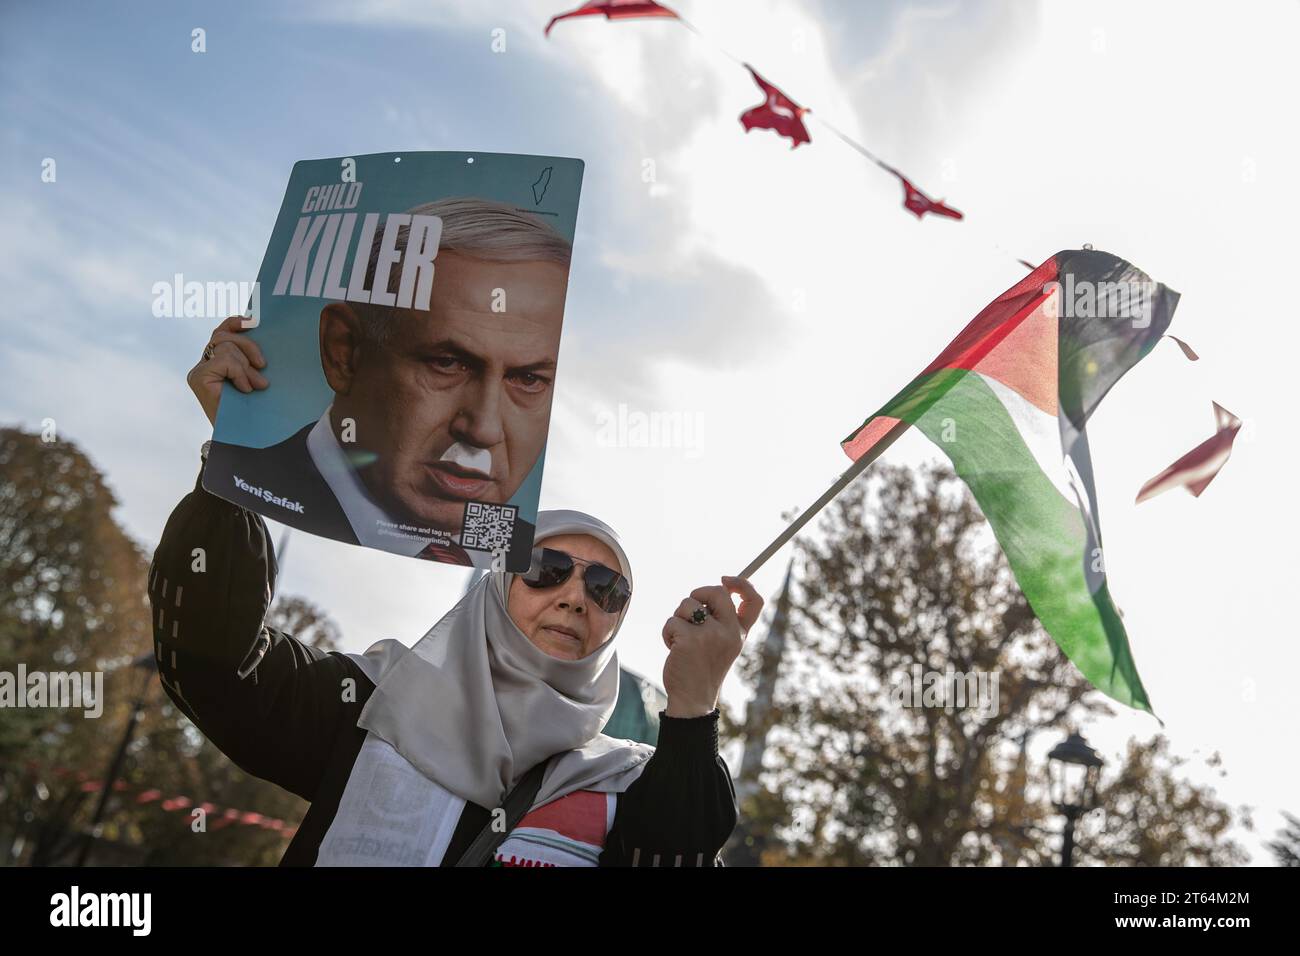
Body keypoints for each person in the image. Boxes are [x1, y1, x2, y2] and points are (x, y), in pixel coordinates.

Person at [153, 319, 763, 866]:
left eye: (607, 588)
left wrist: (696, 700)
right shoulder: (371, 708)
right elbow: (214, 665)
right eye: (547, 566)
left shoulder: (621, 782)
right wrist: (237, 463)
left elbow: (674, 853)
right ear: (496, 586)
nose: (577, 597)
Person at [202, 196, 572, 567]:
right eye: (447, 363)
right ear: (343, 352)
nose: (484, 429)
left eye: (528, 379)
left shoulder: (543, 569)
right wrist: (226, 463)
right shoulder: (245, 484)